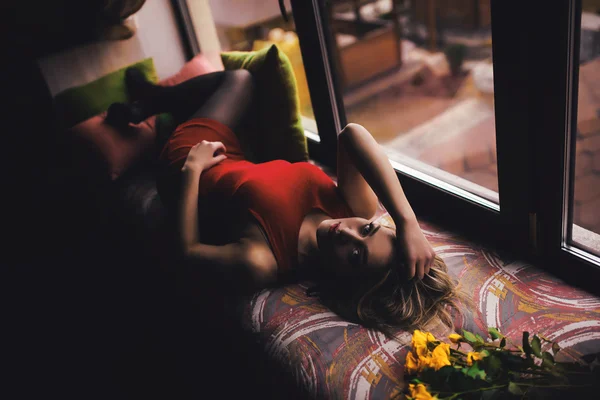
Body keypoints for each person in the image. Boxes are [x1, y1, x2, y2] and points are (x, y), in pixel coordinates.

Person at [106, 67, 467, 338]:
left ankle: (150, 109)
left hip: (188, 164)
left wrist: (191, 170)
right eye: (368, 230)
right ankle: (149, 101)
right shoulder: (354, 209)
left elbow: (186, 251)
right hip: (231, 155)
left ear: (347, 282)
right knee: (242, 79)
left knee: (235, 83)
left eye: (356, 256)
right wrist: (407, 223)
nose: (350, 234)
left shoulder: (263, 260)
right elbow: (353, 134)